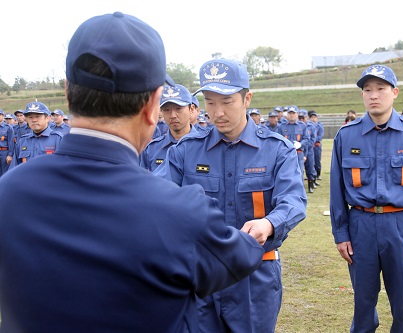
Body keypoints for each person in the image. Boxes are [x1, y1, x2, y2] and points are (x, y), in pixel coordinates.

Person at [0, 12, 264, 332]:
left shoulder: (8, 192)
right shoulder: (179, 212)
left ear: (68, 91)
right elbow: (240, 258)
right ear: (154, 105)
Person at [155, 58, 307, 333]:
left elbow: (294, 200)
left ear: (247, 98)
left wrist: (269, 223)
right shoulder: (185, 151)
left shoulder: (276, 150)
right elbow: (156, 198)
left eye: (227, 102)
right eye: (211, 102)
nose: (218, 112)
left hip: (255, 275)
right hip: (200, 275)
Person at [330, 64, 403, 332]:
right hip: (360, 226)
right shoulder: (346, 135)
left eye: (380, 89)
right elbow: (336, 191)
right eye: (367, 90)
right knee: (363, 303)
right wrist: (341, 233)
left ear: (395, 93)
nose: (373, 95)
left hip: (401, 226)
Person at [139, 84, 197, 172]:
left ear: (191, 109)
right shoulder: (151, 150)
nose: (173, 115)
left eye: (178, 109)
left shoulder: (208, 148)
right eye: (167, 110)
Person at [9, 101, 63, 169]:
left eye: (37, 116)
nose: (34, 120)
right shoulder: (22, 141)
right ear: (26, 120)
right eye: (30, 117)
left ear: (48, 118)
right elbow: (14, 169)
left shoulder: (58, 139)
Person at [276, 105, 310, 184]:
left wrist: (300, 144)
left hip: (298, 154)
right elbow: (278, 140)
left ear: (297, 114)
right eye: (290, 113)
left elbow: (307, 139)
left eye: (293, 113)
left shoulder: (302, 126)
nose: (291, 115)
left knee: (299, 174)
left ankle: (299, 194)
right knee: (286, 173)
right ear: (287, 115)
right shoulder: (282, 127)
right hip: (286, 154)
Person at [308, 110, 324, 180]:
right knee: (311, 161)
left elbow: (320, 136)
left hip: (317, 145)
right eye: (312, 117)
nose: (313, 119)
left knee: (317, 160)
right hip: (310, 146)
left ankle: (318, 174)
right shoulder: (308, 126)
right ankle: (312, 174)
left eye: (314, 117)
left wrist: (313, 140)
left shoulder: (319, 126)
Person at [0, 109, 14, 177]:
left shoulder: (8, 128)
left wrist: (10, 155)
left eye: (0, 115)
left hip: (4, 152)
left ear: (3, 116)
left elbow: (11, 142)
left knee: (4, 172)